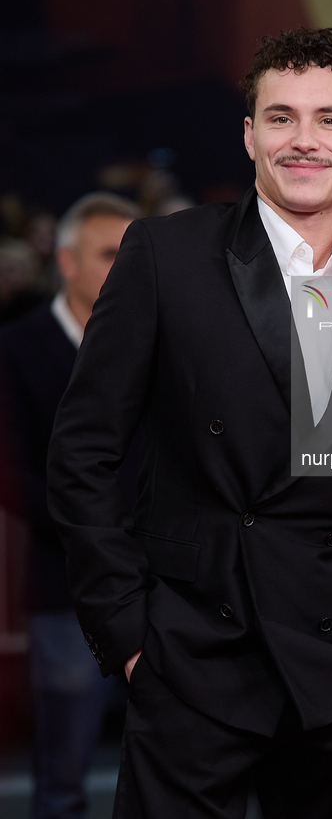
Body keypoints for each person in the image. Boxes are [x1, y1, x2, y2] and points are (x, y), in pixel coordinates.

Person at [47, 28, 332, 819]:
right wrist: (132, 634)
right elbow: (82, 453)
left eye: (329, 119)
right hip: (190, 656)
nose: (304, 140)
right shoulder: (164, 256)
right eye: (280, 117)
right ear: (249, 136)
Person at [0, 192, 139, 819]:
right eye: (111, 253)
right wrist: (93, 529)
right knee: (63, 775)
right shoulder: (16, 349)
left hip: (163, 581)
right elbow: (10, 475)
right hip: (66, 584)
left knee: (175, 768)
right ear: (66, 261)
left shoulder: (163, 341)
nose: (128, 267)